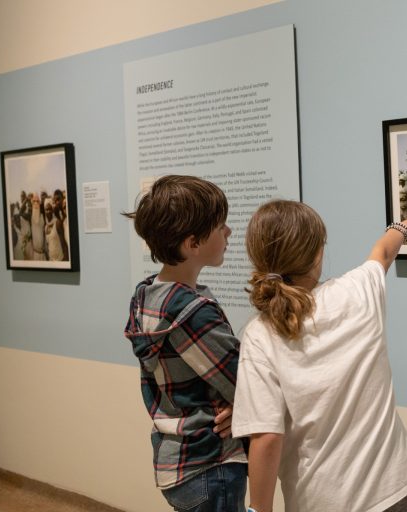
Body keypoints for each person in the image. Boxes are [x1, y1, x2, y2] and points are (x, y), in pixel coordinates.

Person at [232, 200, 407, 512]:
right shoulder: (357, 292)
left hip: (321, 500)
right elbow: (383, 251)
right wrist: (403, 229)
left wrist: (259, 510)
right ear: (317, 254)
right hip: (394, 489)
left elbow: (266, 438)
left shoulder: (260, 335)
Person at [122, 175, 248, 511]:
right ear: (192, 244)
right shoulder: (192, 312)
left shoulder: (147, 295)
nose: (229, 233)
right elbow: (245, 384)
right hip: (211, 463)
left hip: (175, 459)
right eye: (220, 226)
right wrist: (244, 405)